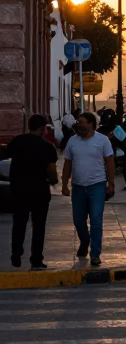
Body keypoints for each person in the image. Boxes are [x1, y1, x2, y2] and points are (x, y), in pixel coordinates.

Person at [62, 111, 115, 266]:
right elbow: (67, 164)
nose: (80, 125)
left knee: (96, 220)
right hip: (78, 187)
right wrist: (64, 184)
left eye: (84, 122)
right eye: (79, 122)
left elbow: (109, 161)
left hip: (97, 185)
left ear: (92, 124)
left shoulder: (103, 140)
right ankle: (85, 241)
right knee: (78, 220)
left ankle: (95, 254)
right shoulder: (72, 141)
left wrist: (111, 182)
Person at [7, 114, 58, 269]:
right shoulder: (48, 147)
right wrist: (54, 181)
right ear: (42, 128)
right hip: (39, 190)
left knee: (19, 221)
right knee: (39, 225)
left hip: (19, 189)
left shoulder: (16, 142)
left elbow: (8, 156)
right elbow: (52, 171)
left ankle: (16, 251)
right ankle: (36, 259)